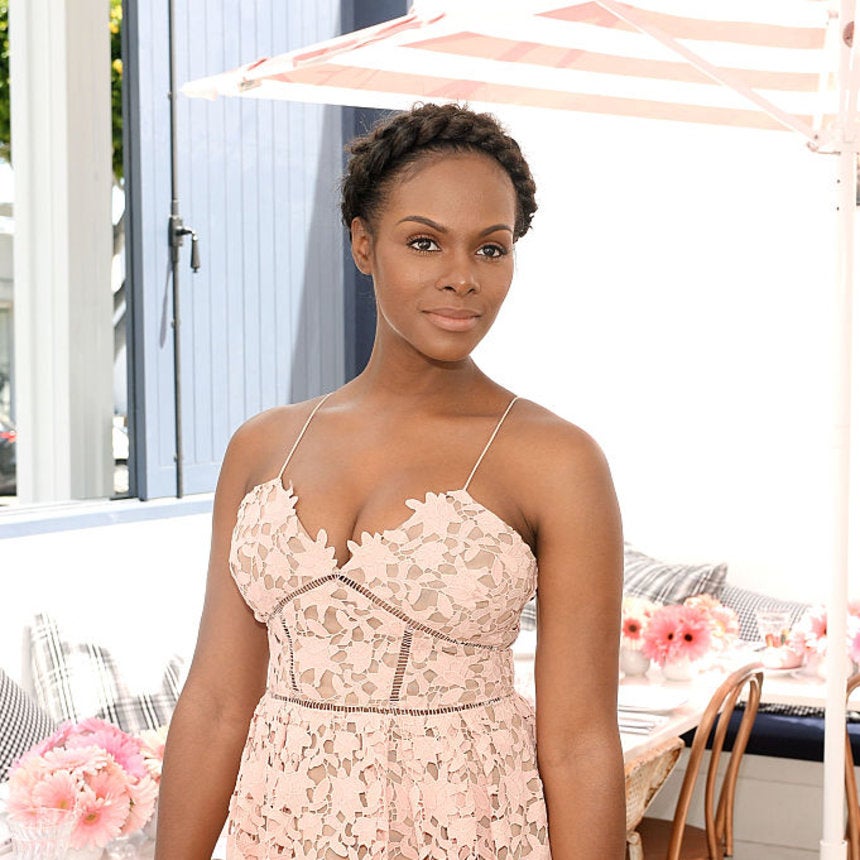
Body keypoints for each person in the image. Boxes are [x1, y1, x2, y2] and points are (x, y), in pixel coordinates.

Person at [155, 102, 625, 859]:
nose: (462, 278)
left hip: (470, 834)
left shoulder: (556, 460)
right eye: (424, 242)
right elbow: (215, 704)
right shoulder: (263, 446)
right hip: (279, 834)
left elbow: (579, 745)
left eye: (491, 248)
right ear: (363, 245)